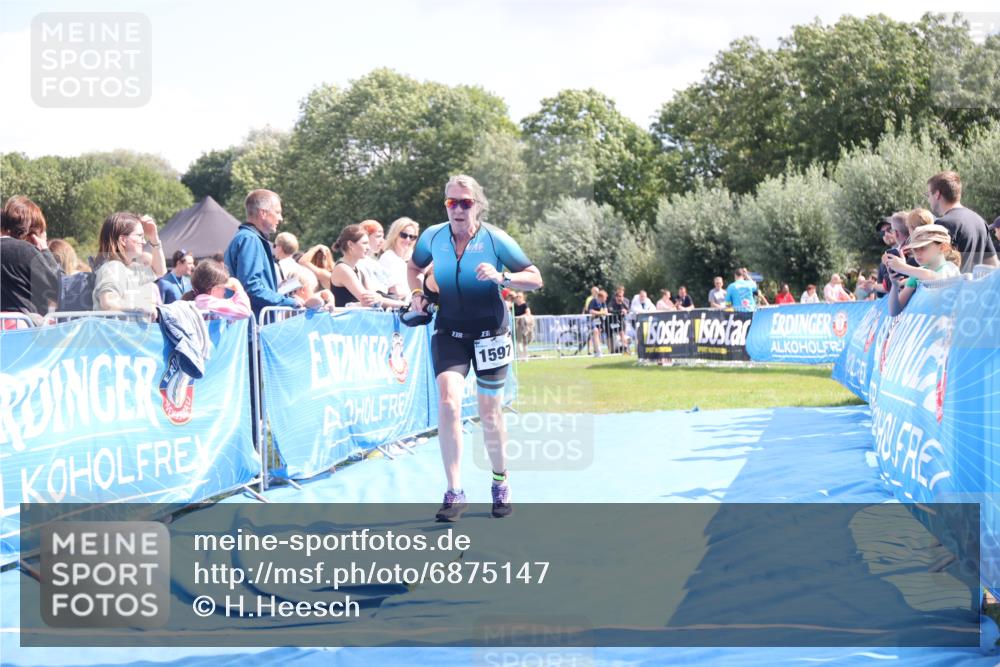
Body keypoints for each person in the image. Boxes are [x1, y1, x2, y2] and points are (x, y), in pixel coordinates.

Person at [407, 174, 542, 521]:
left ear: (477, 205)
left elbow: (535, 276)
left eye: (465, 202)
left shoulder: (495, 240)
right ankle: (454, 492)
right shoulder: (432, 237)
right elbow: (414, 266)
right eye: (452, 202)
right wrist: (418, 295)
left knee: (489, 412)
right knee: (449, 402)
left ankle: (500, 482)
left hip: (491, 332)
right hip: (449, 330)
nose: (458, 209)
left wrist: (503, 278)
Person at [224, 189, 301, 318]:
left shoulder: (248, 238)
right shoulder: (250, 239)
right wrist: (290, 302)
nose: (280, 218)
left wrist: (276, 289)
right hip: (251, 327)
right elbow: (251, 288)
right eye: (277, 212)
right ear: (263, 213)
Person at [0, 196, 61, 323]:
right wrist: (45, 250)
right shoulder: (26, 251)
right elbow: (59, 287)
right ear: (32, 234)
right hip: (22, 334)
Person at [92, 211, 166, 314]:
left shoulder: (130, 267)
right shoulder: (113, 267)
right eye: (140, 236)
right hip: (117, 329)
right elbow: (108, 302)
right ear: (123, 240)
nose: (144, 242)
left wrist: (154, 238)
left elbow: (159, 271)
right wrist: (141, 307)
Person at [926, 171, 998, 272]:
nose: (928, 200)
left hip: (953, 287)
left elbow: (935, 270)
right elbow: (993, 265)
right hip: (975, 287)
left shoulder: (943, 224)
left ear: (937, 194)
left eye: (928, 195)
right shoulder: (979, 221)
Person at [884, 224, 962, 315]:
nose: (917, 253)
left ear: (942, 247)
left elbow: (936, 278)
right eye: (915, 249)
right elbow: (894, 311)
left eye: (923, 248)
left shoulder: (950, 268)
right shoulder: (916, 275)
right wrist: (894, 285)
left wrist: (902, 267)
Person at [330, 224, 402, 308]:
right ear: (350, 244)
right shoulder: (343, 269)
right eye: (364, 243)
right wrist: (404, 305)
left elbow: (375, 297)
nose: (368, 247)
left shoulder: (358, 269)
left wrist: (403, 304)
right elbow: (368, 300)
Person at [182, 258, 253, 321]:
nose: (225, 292)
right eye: (224, 288)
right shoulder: (206, 302)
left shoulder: (202, 300)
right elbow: (245, 311)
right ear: (214, 289)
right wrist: (237, 286)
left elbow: (229, 303)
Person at [379, 217, 420, 301]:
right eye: (404, 235)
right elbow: (396, 292)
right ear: (395, 235)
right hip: (399, 307)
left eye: (412, 237)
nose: (408, 239)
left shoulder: (415, 257)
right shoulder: (388, 258)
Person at [609, 285, 631, 354]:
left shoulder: (626, 300)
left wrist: (622, 302)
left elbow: (628, 309)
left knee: (623, 335)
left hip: (623, 320)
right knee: (621, 334)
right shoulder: (613, 300)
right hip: (614, 320)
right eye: (619, 290)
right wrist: (619, 312)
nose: (620, 293)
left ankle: (625, 348)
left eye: (621, 291)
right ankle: (625, 348)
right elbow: (610, 309)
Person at [512, 291, 534, 361]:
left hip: (525, 326)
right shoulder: (514, 305)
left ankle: (525, 357)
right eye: (517, 296)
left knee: (525, 342)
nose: (518, 298)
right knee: (518, 342)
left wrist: (519, 317)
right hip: (517, 326)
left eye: (520, 296)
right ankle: (521, 357)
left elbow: (528, 313)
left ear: (523, 297)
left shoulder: (525, 305)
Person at [588, 288, 609, 357]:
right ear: (600, 297)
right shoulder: (593, 301)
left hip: (599, 321)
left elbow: (606, 311)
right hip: (591, 320)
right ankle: (598, 351)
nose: (606, 299)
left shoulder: (603, 303)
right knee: (595, 331)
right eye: (605, 298)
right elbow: (591, 311)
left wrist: (599, 313)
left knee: (597, 335)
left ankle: (596, 351)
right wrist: (601, 313)